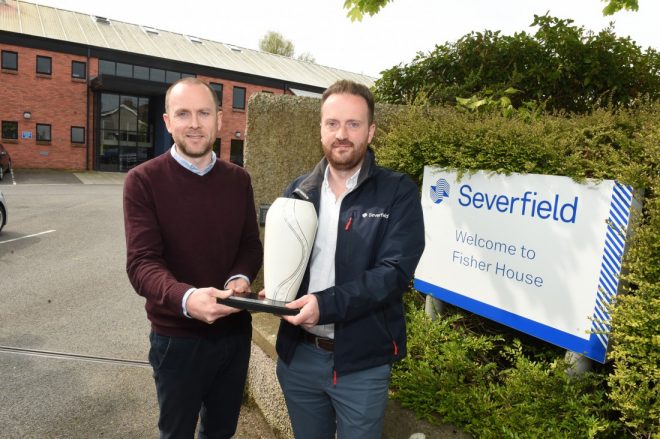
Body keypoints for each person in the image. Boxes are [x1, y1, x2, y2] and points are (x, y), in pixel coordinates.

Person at [274, 79, 426, 438]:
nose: (341, 134)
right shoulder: (298, 190)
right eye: (332, 123)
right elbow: (286, 260)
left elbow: (393, 274)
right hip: (299, 357)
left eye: (353, 124)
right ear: (321, 129)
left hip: (362, 364)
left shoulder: (398, 192)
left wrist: (324, 305)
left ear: (370, 131)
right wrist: (277, 294)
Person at [123, 77, 263, 439]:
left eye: (204, 113)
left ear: (219, 119)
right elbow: (142, 263)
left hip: (234, 335)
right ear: (167, 122)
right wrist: (186, 298)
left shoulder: (239, 180)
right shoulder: (142, 181)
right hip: (177, 338)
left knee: (221, 432)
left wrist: (239, 278)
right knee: (177, 433)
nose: (195, 124)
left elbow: (250, 245)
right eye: (183, 114)